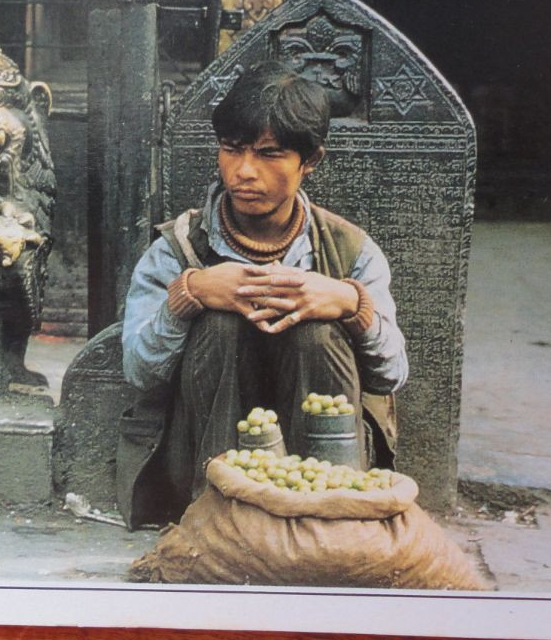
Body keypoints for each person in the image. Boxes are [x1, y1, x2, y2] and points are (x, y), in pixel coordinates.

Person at [118, 61, 408, 524]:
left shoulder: (351, 249)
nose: (244, 171)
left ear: (309, 160)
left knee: (321, 334)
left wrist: (353, 305)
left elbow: (391, 376)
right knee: (219, 323)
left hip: (319, 469)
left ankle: (326, 517)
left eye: (269, 154)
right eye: (232, 150)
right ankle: (217, 516)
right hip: (200, 459)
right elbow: (139, 371)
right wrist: (189, 294)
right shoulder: (178, 247)